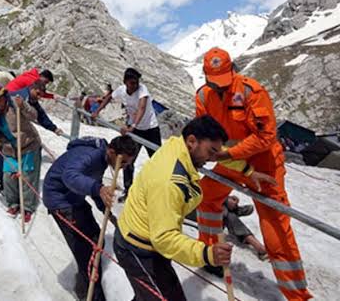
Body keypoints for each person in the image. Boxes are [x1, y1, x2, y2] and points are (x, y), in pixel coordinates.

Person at [195, 47, 312, 300]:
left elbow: (266, 136)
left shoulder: (251, 91)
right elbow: (203, 131)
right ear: (205, 77)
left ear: (233, 70)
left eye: (224, 83)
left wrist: (228, 154)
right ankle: (211, 256)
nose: (220, 89)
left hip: (263, 165)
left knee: (275, 228)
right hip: (231, 162)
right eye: (215, 84)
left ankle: (297, 295)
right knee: (206, 197)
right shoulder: (203, 97)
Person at [113, 116, 268, 301]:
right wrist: (207, 254)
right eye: (210, 152)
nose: (213, 159)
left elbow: (218, 151)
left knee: (148, 295)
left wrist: (247, 171)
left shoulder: (179, 145)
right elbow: (164, 238)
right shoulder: (169, 182)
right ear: (192, 141)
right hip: (138, 248)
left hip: (149, 241)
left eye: (215, 152)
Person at [43, 135, 140, 301]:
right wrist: (99, 188)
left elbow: (95, 183)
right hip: (61, 202)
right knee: (85, 250)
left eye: (127, 164)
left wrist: (105, 210)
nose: (123, 168)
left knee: (96, 237)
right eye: (122, 162)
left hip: (74, 198)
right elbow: (70, 177)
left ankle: (86, 281)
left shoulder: (103, 158)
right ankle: (90, 294)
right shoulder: (91, 156)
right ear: (111, 151)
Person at [92, 67, 161, 202]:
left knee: (158, 160)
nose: (134, 85)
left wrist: (132, 126)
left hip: (151, 129)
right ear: (125, 82)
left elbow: (141, 108)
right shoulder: (121, 90)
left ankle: (158, 191)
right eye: (131, 83)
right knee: (128, 160)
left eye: (136, 82)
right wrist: (97, 111)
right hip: (135, 130)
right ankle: (128, 191)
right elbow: (109, 98)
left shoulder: (142, 90)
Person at [0, 87, 42, 223]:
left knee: (27, 176)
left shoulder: (16, 103)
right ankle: (13, 204)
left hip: (29, 145)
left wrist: (23, 106)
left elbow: (34, 116)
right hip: (9, 149)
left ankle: (28, 207)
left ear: (4, 96)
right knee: (8, 175)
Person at [186, 196, 268, 261]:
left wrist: (226, 198)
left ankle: (233, 209)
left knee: (222, 209)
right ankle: (235, 210)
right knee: (223, 211)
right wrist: (225, 200)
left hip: (197, 205)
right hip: (190, 211)